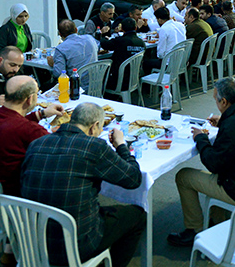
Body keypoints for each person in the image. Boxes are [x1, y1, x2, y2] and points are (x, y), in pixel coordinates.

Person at [21, 103, 145, 267]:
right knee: (137, 216)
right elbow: (133, 179)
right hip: (76, 244)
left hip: (30, 240)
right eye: (100, 129)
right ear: (94, 127)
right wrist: (121, 146)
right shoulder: (94, 147)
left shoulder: (37, 143)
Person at [167, 77, 235, 246]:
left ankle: (194, 230)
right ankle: (217, 222)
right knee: (218, 172)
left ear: (224, 101)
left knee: (184, 176)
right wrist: (223, 122)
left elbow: (213, 163)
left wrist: (201, 138)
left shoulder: (233, 124)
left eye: (216, 100)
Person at [0, 76, 63, 215]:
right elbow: (62, 150)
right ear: (29, 99)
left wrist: (42, 114)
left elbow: (13, 122)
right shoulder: (31, 131)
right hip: (10, 206)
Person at [48, 19, 99, 91]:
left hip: (75, 88)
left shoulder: (61, 48)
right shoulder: (90, 38)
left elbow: (59, 74)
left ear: (60, 34)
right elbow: (98, 49)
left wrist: (53, 64)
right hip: (96, 84)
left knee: (45, 86)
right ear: (76, 29)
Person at [98, 17, 145, 93]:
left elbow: (105, 45)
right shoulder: (141, 43)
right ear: (136, 28)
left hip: (119, 81)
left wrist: (103, 36)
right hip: (135, 78)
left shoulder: (121, 41)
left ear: (122, 29)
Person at [143, 7, 186, 74]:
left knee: (146, 62)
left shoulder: (164, 29)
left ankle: (148, 82)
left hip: (168, 64)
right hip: (181, 60)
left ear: (160, 19)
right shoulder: (181, 25)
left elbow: (160, 54)